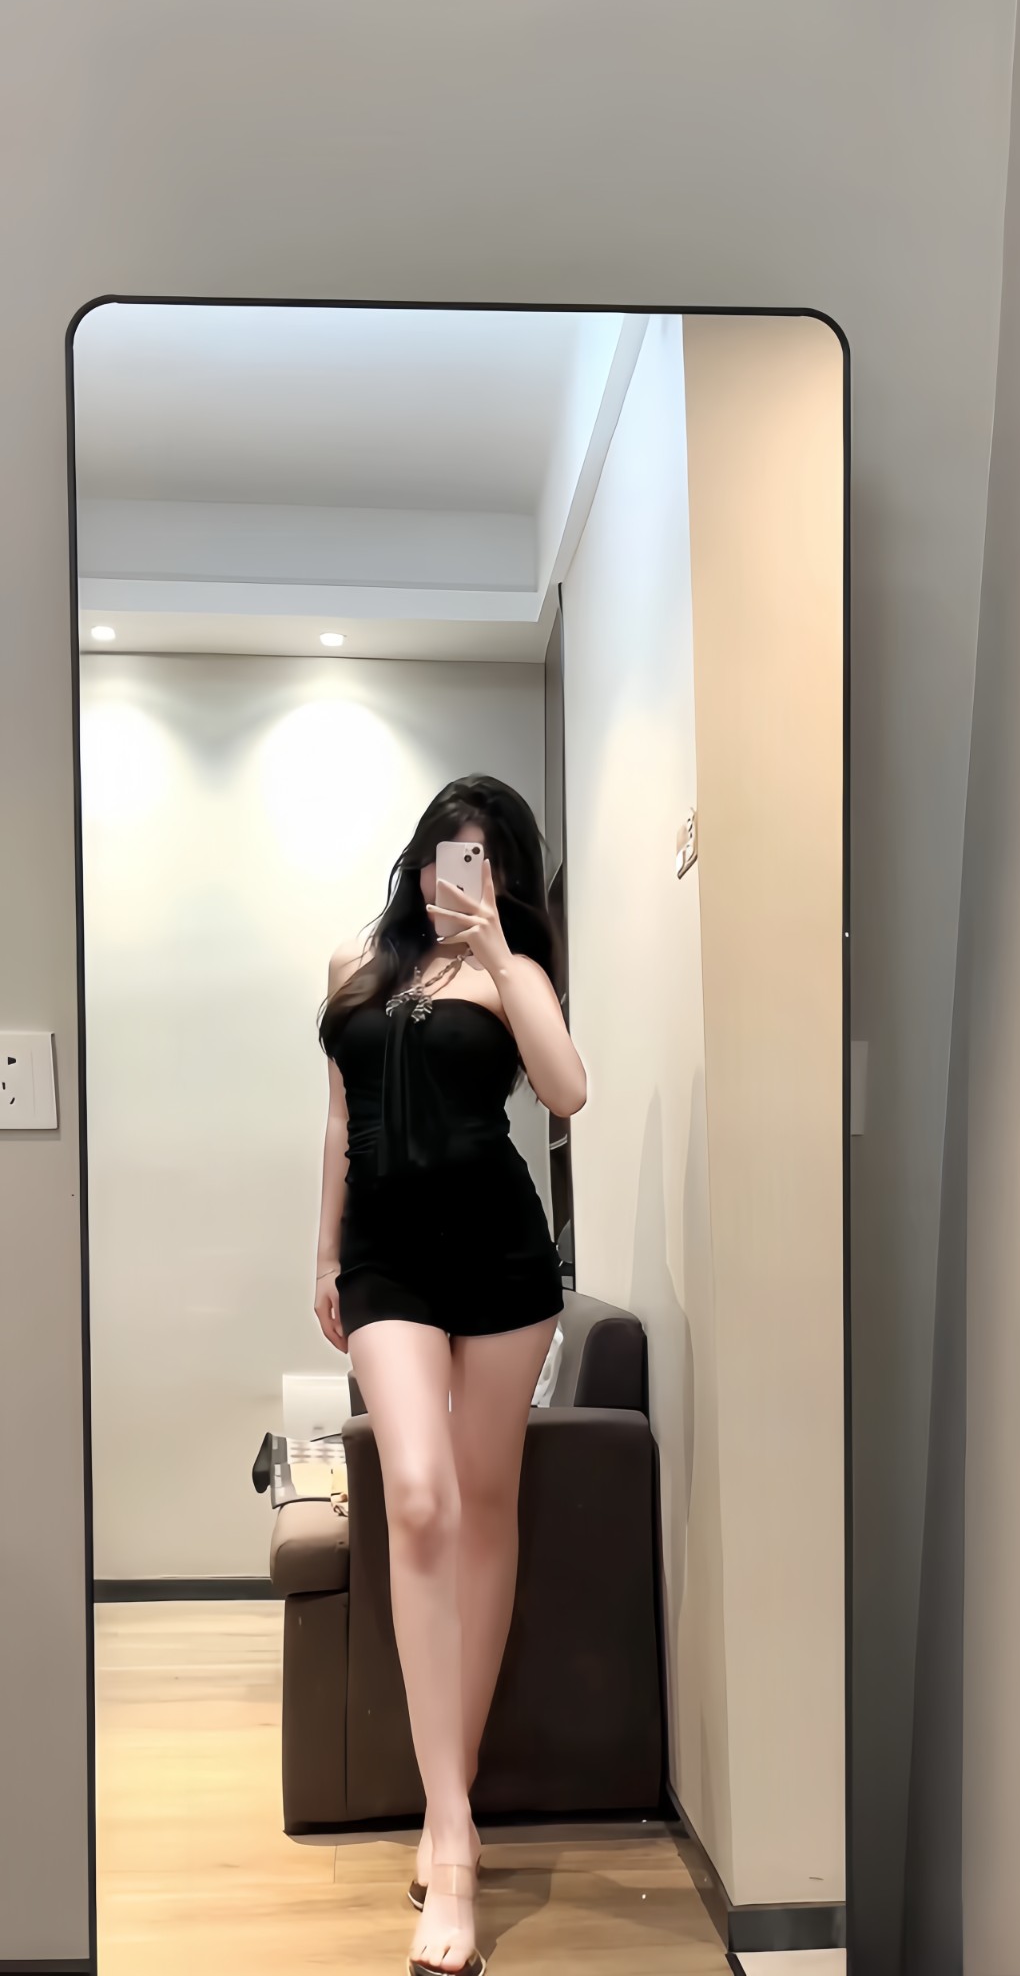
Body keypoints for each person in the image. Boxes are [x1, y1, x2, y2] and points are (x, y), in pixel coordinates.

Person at [315, 775, 586, 1976]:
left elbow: (567, 1091)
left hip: (502, 1259)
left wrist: (507, 958)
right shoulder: (356, 966)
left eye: (479, 858)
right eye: (442, 850)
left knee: (483, 1506)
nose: (453, 874)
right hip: (386, 1262)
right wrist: (323, 1254)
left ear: (504, 876)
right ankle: (456, 1835)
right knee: (419, 1498)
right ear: (417, 858)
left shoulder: (512, 975)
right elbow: (340, 1121)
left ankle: (448, 1807)